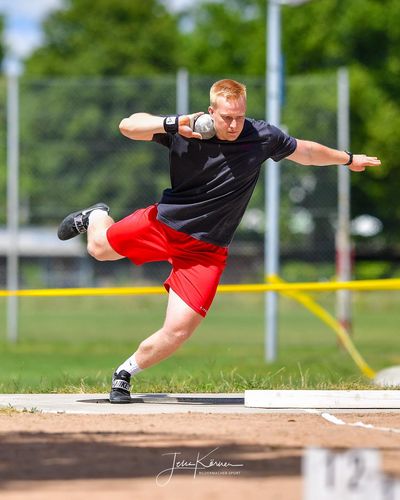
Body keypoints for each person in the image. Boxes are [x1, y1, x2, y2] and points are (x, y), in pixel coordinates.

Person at [57, 79, 381, 403]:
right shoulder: (186, 129)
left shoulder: (261, 136)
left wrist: (348, 159)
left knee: (179, 330)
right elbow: (128, 126)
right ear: (212, 111)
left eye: (239, 116)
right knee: (99, 249)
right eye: (226, 116)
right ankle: (98, 215)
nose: (233, 124)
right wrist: (172, 123)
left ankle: (124, 374)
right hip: (165, 224)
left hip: (206, 250)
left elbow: (306, 152)